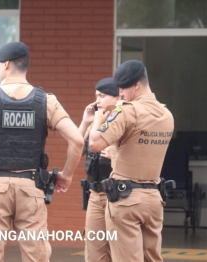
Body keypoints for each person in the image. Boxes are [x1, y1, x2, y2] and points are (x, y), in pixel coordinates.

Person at [0, 41, 84, 262]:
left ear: (5, 64)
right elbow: (77, 140)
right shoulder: (46, 101)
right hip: (31, 187)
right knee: (36, 256)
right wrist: (67, 174)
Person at [88, 60, 174, 262]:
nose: (120, 93)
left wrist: (98, 122)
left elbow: (94, 144)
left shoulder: (127, 111)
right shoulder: (166, 115)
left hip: (126, 200)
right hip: (154, 199)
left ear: (136, 85)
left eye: (123, 88)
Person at [79, 78, 120, 262]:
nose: (98, 101)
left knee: (118, 250)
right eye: (96, 96)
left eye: (102, 96)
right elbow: (77, 149)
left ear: (118, 97)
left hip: (117, 194)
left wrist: (116, 155)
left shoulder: (124, 119)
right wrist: (85, 122)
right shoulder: (97, 120)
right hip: (95, 193)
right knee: (94, 250)